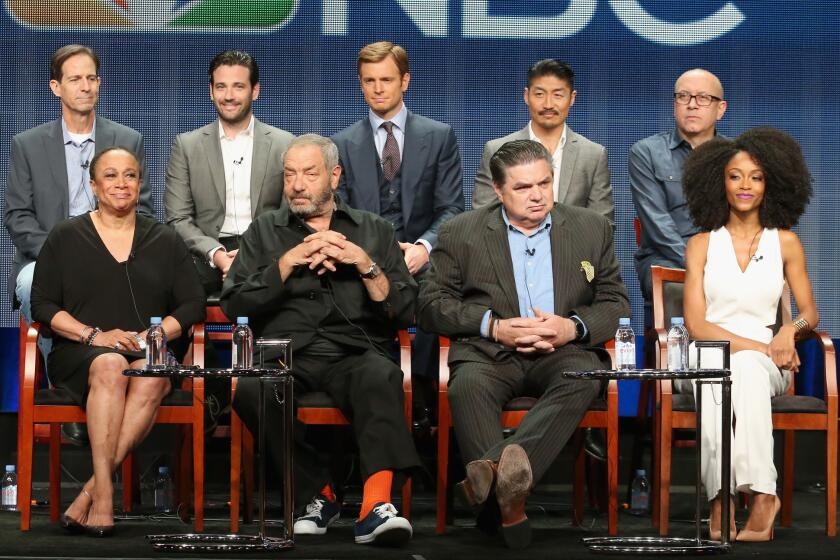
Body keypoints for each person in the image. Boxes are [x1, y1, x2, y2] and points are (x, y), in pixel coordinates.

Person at [418, 139, 630, 548]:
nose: (537, 195)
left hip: (562, 352)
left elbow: (616, 302)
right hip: (489, 354)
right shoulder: (461, 232)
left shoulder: (590, 227)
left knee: (584, 376)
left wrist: (572, 327)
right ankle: (509, 506)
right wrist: (493, 326)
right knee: (467, 385)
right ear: (498, 191)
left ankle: (491, 478)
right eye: (523, 187)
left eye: (545, 183)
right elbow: (429, 305)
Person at [221, 134, 420, 546]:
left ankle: (375, 507)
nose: (297, 184)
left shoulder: (374, 229)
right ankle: (318, 494)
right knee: (252, 389)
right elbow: (233, 301)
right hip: (286, 353)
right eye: (289, 174)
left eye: (309, 174)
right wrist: (288, 262)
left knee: (382, 376)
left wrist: (363, 263)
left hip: (354, 351)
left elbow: (403, 307)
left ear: (334, 176)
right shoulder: (264, 231)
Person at [30, 147, 205, 537]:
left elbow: (193, 304)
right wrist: (95, 335)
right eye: (110, 176)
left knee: (150, 374)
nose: (121, 184)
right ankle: (106, 498)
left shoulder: (165, 239)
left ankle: (92, 490)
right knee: (110, 364)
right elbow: (42, 304)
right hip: (81, 351)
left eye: (130, 175)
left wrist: (152, 335)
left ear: (140, 184)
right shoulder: (66, 236)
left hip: (147, 351)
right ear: (93, 185)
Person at [680, 127, 817, 542]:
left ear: (770, 183)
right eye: (735, 175)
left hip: (767, 363)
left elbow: (809, 312)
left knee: (746, 369)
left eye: (755, 177)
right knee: (719, 366)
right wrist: (767, 344)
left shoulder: (786, 243)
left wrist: (788, 333)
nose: (745, 186)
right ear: (718, 182)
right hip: (715, 350)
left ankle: (748, 496)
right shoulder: (701, 245)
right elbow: (697, 325)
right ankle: (733, 494)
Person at [332, 40, 464, 419]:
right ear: (360, 84)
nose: (378, 88)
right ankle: (372, 403)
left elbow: (452, 208)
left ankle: (421, 404)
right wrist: (368, 254)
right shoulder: (342, 143)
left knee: (433, 299)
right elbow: (339, 212)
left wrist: (423, 247)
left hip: (423, 259)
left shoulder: (439, 136)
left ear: (404, 81)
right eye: (369, 80)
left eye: (386, 79)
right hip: (364, 258)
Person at [5, 44, 153, 329]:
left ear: (99, 83)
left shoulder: (127, 140)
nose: (85, 87)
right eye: (75, 79)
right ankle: (63, 374)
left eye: (91, 78)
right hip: (45, 259)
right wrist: (62, 255)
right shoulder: (27, 145)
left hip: (114, 256)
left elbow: (143, 211)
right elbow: (17, 216)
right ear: (55, 87)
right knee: (31, 287)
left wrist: (111, 253)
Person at [165, 49, 294, 296]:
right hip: (205, 255)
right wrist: (218, 255)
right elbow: (178, 219)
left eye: (238, 87)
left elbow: (289, 214)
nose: (229, 96)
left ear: (255, 91)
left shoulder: (284, 144)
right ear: (210, 91)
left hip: (266, 252)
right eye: (221, 87)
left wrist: (253, 254)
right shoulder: (187, 145)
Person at [472, 59, 613, 224]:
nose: (548, 104)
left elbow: (603, 224)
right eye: (539, 94)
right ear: (526, 96)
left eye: (558, 95)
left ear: (572, 98)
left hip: (573, 249)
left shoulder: (593, 154)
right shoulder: (496, 149)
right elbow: (482, 218)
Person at [630, 68, 728, 302]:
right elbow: (657, 224)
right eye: (683, 97)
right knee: (684, 288)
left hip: (725, 257)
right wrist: (699, 266)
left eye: (703, 98)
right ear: (675, 105)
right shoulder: (647, 152)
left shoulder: (737, 156)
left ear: (720, 109)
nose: (692, 104)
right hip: (666, 256)